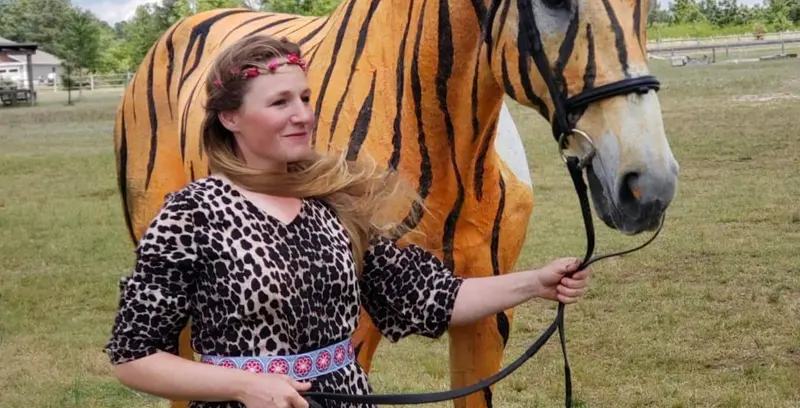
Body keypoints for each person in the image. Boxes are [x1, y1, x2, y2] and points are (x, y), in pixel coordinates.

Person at [105, 34, 592, 408]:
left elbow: (430, 298)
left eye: (305, 98)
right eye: (279, 103)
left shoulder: (331, 203)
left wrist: (536, 282)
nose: (302, 115)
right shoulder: (192, 214)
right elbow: (133, 355)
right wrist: (244, 385)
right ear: (231, 118)